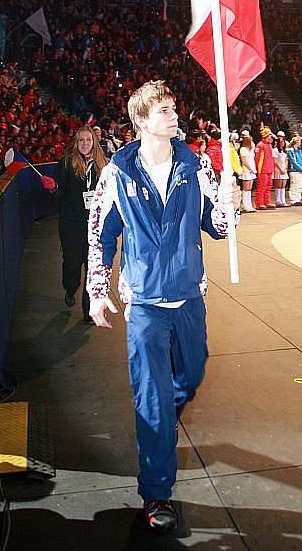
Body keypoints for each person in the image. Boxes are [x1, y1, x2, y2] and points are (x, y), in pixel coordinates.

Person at [86, 80, 240, 533]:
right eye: (166, 111)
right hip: (146, 304)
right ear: (141, 120)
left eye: (174, 110)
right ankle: (157, 494)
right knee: (151, 400)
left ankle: (167, 418)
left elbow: (217, 226)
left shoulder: (197, 167)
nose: (175, 117)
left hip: (190, 297)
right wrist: (99, 289)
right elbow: (100, 234)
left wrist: (229, 208)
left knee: (190, 376)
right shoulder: (118, 173)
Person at [40, 125, 107, 322]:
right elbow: (59, 191)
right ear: (76, 143)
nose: (85, 144)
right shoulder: (66, 163)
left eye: (89, 140)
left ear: (94, 143)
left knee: (92, 267)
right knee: (72, 264)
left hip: (95, 225)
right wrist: (53, 187)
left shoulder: (103, 164)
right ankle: (70, 288)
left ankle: (89, 311)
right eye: (81, 140)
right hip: (71, 223)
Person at [254, 127, 275, 209]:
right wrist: (257, 169)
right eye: (269, 135)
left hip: (269, 168)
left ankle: (267, 201)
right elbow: (257, 158)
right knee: (261, 187)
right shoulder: (260, 145)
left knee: (268, 186)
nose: (271, 137)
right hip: (262, 169)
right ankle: (259, 203)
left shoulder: (269, 145)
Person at [239, 133, 257, 212]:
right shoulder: (243, 149)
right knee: (246, 189)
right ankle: (245, 205)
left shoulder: (251, 149)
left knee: (250, 189)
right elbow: (244, 160)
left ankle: (249, 205)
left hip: (252, 169)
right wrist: (250, 168)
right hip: (246, 170)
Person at [287, 135, 302, 206]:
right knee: (294, 185)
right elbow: (293, 161)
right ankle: (293, 200)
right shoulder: (291, 150)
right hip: (294, 170)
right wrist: (299, 168)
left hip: (300, 170)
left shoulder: (299, 150)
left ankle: (298, 199)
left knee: (300, 185)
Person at [272, 132, 289, 207]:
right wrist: (280, 169)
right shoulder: (275, 150)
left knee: (283, 186)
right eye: (281, 142)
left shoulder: (284, 151)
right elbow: (275, 161)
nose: (282, 143)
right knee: (278, 186)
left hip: (284, 169)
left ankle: (283, 200)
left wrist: (285, 168)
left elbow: (286, 160)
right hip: (277, 169)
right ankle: (278, 201)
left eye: (283, 142)